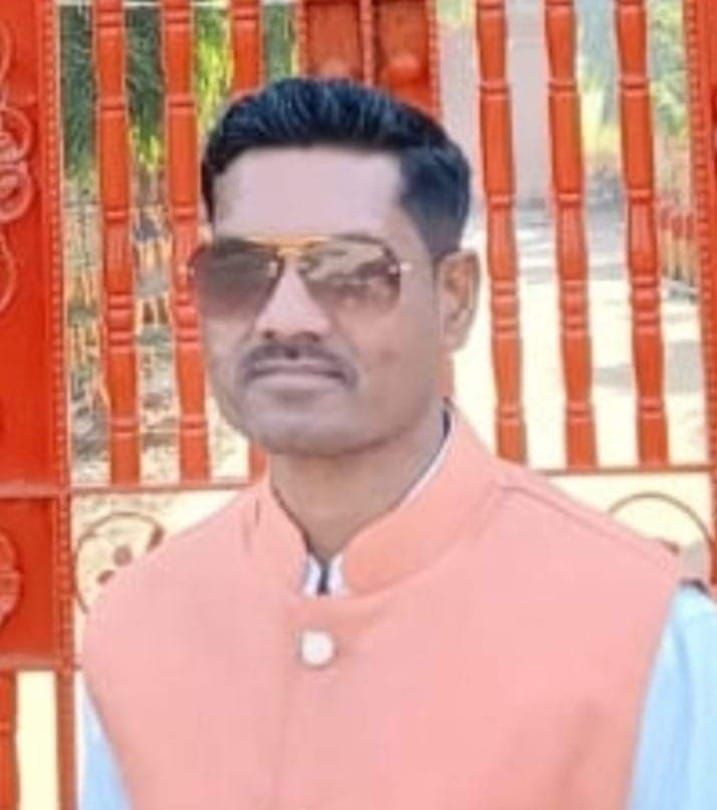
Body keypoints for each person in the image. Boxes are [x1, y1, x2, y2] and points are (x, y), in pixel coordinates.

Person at [81, 77, 717, 809]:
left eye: (350, 272)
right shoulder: (138, 628)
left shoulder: (646, 637)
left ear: (454, 299)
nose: (286, 317)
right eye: (239, 272)